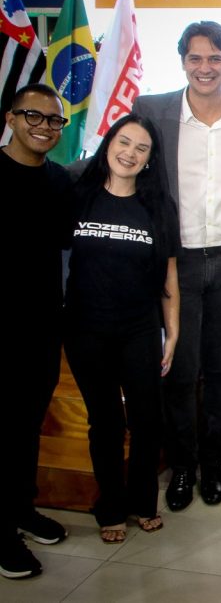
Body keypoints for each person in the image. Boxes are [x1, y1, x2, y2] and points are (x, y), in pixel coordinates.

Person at [134, 21, 221, 512]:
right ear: (183, 63)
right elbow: (120, 161)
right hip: (179, 263)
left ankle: (213, 463)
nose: (205, 67)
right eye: (195, 58)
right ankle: (182, 465)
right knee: (180, 368)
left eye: (215, 58)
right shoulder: (153, 110)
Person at [63, 114, 180, 544]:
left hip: (139, 329)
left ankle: (144, 502)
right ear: (108, 144)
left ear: (150, 159)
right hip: (85, 329)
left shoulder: (158, 207)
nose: (130, 153)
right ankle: (110, 507)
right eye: (123, 142)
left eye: (141, 148)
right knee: (105, 422)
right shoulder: (80, 195)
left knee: (147, 420)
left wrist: (172, 332)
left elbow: (170, 278)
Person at [0, 84, 70, 579]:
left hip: (42, 325)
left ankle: (21, 508)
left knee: (26, 425)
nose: (44, 127)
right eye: (33, 116)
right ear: (11, 118)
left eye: (53, 120)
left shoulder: (58, 181)